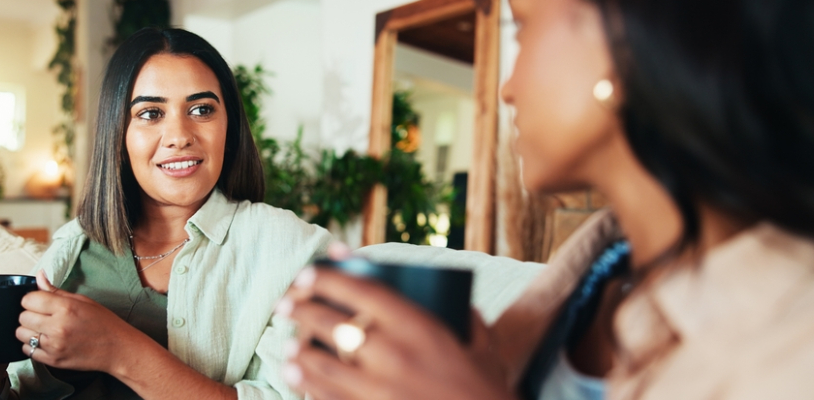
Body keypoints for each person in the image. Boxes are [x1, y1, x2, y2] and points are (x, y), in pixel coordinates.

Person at [277, 0, 814, 399]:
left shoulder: (794, 337)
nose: (507, 88)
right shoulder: (599, 265)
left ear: (625, 39)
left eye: (524, 26)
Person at [0, 27, 331, 400]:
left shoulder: (292, 252)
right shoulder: (74, 244)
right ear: (117, 133)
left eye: (202, 109)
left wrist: (120, 350)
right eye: (150, 113)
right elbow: (24, 387)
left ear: (230, 124)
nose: (180, 134)